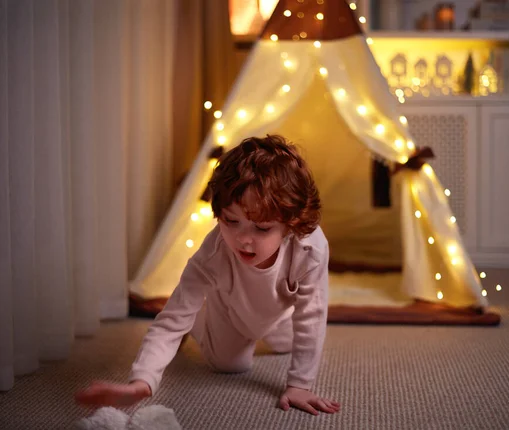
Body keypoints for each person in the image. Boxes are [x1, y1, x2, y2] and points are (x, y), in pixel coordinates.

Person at [75, 135, 340, 416]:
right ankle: (199, 322)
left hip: (277, 314)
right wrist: (143, 381)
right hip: (230, 313)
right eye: (230, 221)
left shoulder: (310, 247)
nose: (243, 239)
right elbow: (170, 321)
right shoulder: (212, 255)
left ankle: (249, 326)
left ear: (290, 224)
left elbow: (311, 315)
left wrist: (300, 384)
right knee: (231, 365)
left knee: (291, 344)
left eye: (262, 228)